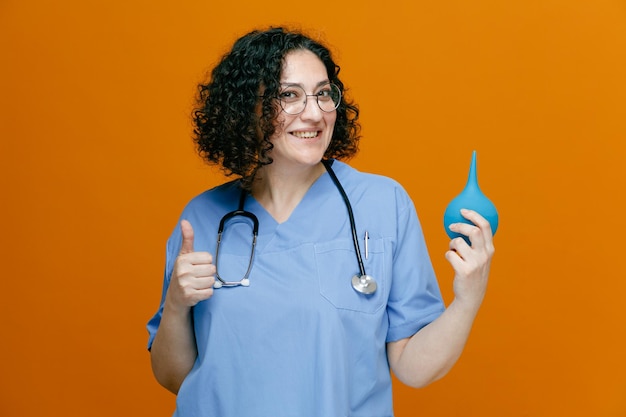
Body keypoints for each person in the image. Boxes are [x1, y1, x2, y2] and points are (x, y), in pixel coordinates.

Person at [147, 26, 495, 417]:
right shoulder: (204, 217)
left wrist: (467, 300)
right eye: (289, 95)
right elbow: (173, 376)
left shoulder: (382, 204)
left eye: (323, 93)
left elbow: (413, 368)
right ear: (249, 108)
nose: (314, 113)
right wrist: (176, 305)